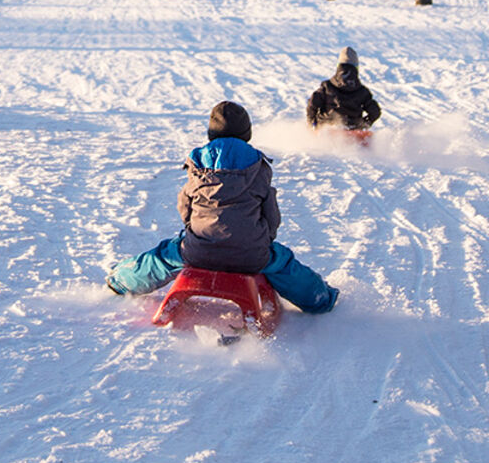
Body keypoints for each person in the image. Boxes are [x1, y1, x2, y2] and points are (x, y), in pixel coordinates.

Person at [106, 101, 337, 314]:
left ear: (211, 133)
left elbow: (185, 204)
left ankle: (120, 280)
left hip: (199, 250)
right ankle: (320, 299)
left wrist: (193, 229)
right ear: (246, 134)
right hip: (250, 254)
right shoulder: (258, 165)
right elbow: (271, 213)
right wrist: (264, 239)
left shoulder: (198, 163)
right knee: (284, 264)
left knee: (163, 256)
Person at [307, 48, 380, 131]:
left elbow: (312, 104)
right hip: (352, 129)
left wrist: (311, 122)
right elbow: (375, 112)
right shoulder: (362, 91)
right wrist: (363, 125)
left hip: (327, 127)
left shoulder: (327, 87)